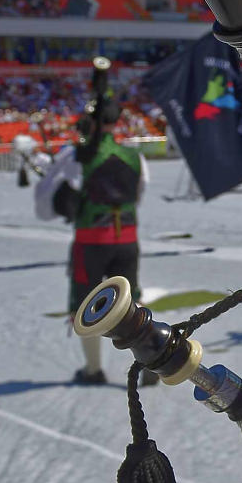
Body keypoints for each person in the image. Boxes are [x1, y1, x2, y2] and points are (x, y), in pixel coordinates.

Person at [35, 72, 147, 385]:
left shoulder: (75, 156)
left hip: (90, 242)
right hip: (127, 238)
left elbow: (45, 203)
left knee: (85, 303)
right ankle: (151, 360)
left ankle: (93, 369)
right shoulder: (134, 156)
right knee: (131, 300)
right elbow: (138, 195)